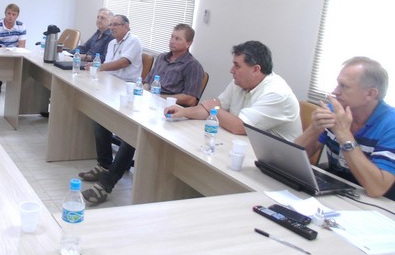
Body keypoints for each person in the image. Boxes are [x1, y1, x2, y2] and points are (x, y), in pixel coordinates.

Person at [295, 57, 395, 199]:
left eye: (344, 86)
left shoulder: (390, 124)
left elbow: (376, 188)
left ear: (370, 94)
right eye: (338, 84)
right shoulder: (335, 110)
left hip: (378, 202)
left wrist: (344, 135)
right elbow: (293, 160)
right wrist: (314, 128)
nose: (335, 91)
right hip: (338, 190)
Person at [165, 40, 301, 141]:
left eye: (237, 66)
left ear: (255, 69)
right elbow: (213, 108)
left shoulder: (276, 93)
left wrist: (214, 108)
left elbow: (239, 126)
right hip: (247, 145)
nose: (231, 70)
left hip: (278, 161)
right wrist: (184, 112)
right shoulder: (240, 82)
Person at [79, 14, 146, 206]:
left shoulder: (134, 41)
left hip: (127, 88)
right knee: (99, 118)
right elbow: (108, 67)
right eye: (112, 25)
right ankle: (104, 164)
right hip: (111, 85)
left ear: (127, 26)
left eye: (116, 24)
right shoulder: (111, 43)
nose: (113, 28)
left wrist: (98, 67)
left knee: (129, 135)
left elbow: (123, 63)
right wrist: (98, 69)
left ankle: (106, 183)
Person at [144, 23, 205, 107]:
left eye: (177, 39)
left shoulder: (192, 66)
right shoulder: (161, 57)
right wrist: (145, 92)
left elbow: (191, 99)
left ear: (188, 44)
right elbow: (148, 82)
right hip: (150, 102)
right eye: (172, 37)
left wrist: (159, 97)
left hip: (171, 107)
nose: (172, 41)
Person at [0, 3, 26, 95]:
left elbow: (22, 45)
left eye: (13, 14)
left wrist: (14, 52)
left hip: (14, 50)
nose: (10, 16)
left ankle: (16, 85)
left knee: (22, 60)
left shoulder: (21, 26)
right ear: (5, 13)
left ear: (17, 16)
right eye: (9, 13)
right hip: (0, 49)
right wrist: (3, 51)